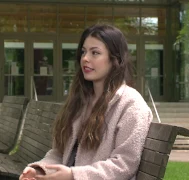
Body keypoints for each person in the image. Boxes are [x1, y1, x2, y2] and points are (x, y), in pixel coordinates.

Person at [19, 24, 153, 180]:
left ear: (115, 59)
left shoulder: (131, 105)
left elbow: (124, 165)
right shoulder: (81, 101)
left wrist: (73, 175)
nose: (85, 58)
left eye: (95, 53)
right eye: (83, 52)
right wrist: (40, 171)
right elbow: (60, 153)